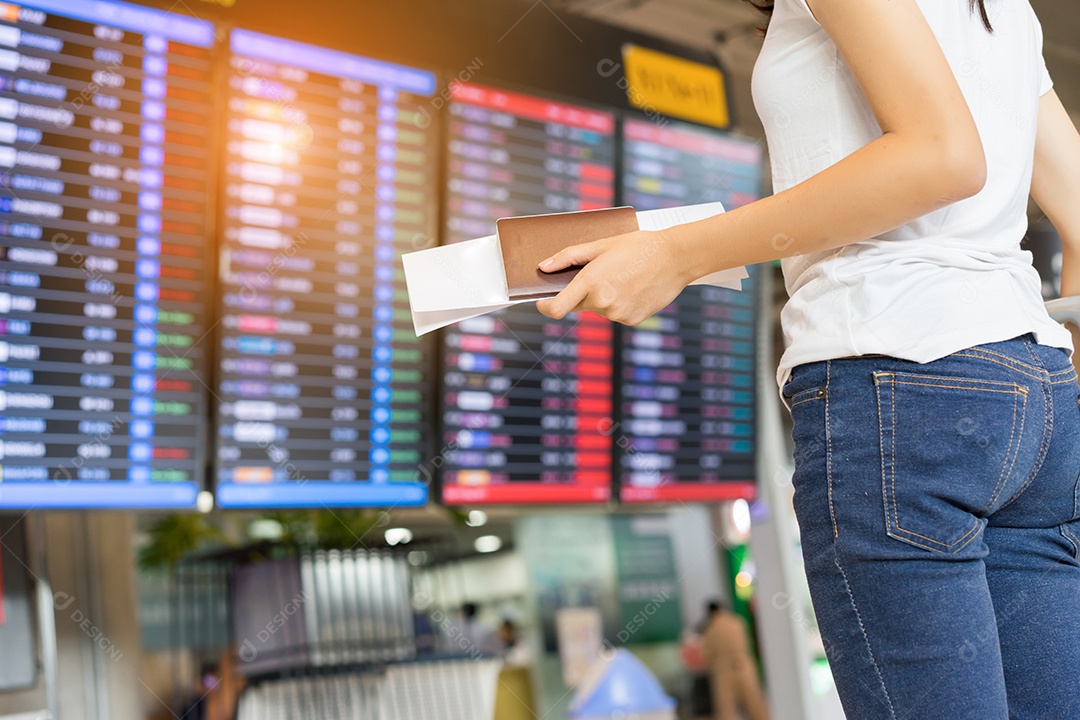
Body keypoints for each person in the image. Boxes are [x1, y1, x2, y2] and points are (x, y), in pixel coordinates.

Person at [536, 1, 1080, 717]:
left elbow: (943, 156)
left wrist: (673, 256)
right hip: (1036, 393)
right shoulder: (1006, 9)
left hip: (897, 381)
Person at [700, 601, 770, 720]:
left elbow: (706, 655)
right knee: (756, 705)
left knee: (727, 710)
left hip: (723, 670)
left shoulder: (710, 629)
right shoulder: (737, 622)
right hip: (744, 666)